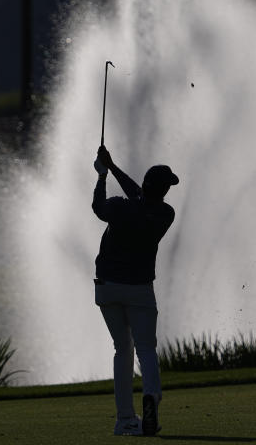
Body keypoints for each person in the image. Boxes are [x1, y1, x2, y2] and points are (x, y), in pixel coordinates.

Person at [92, 145, 178, 437]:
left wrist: (103, 175)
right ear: (164, 191)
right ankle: (151, 397)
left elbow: (98, 208)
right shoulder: (166, 213)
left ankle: (126, 419)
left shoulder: (120, 207)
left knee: (122, 349)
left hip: (107, 288)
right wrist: (113, 167)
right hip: (139, 289)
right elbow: (142, 198)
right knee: (145, 348)